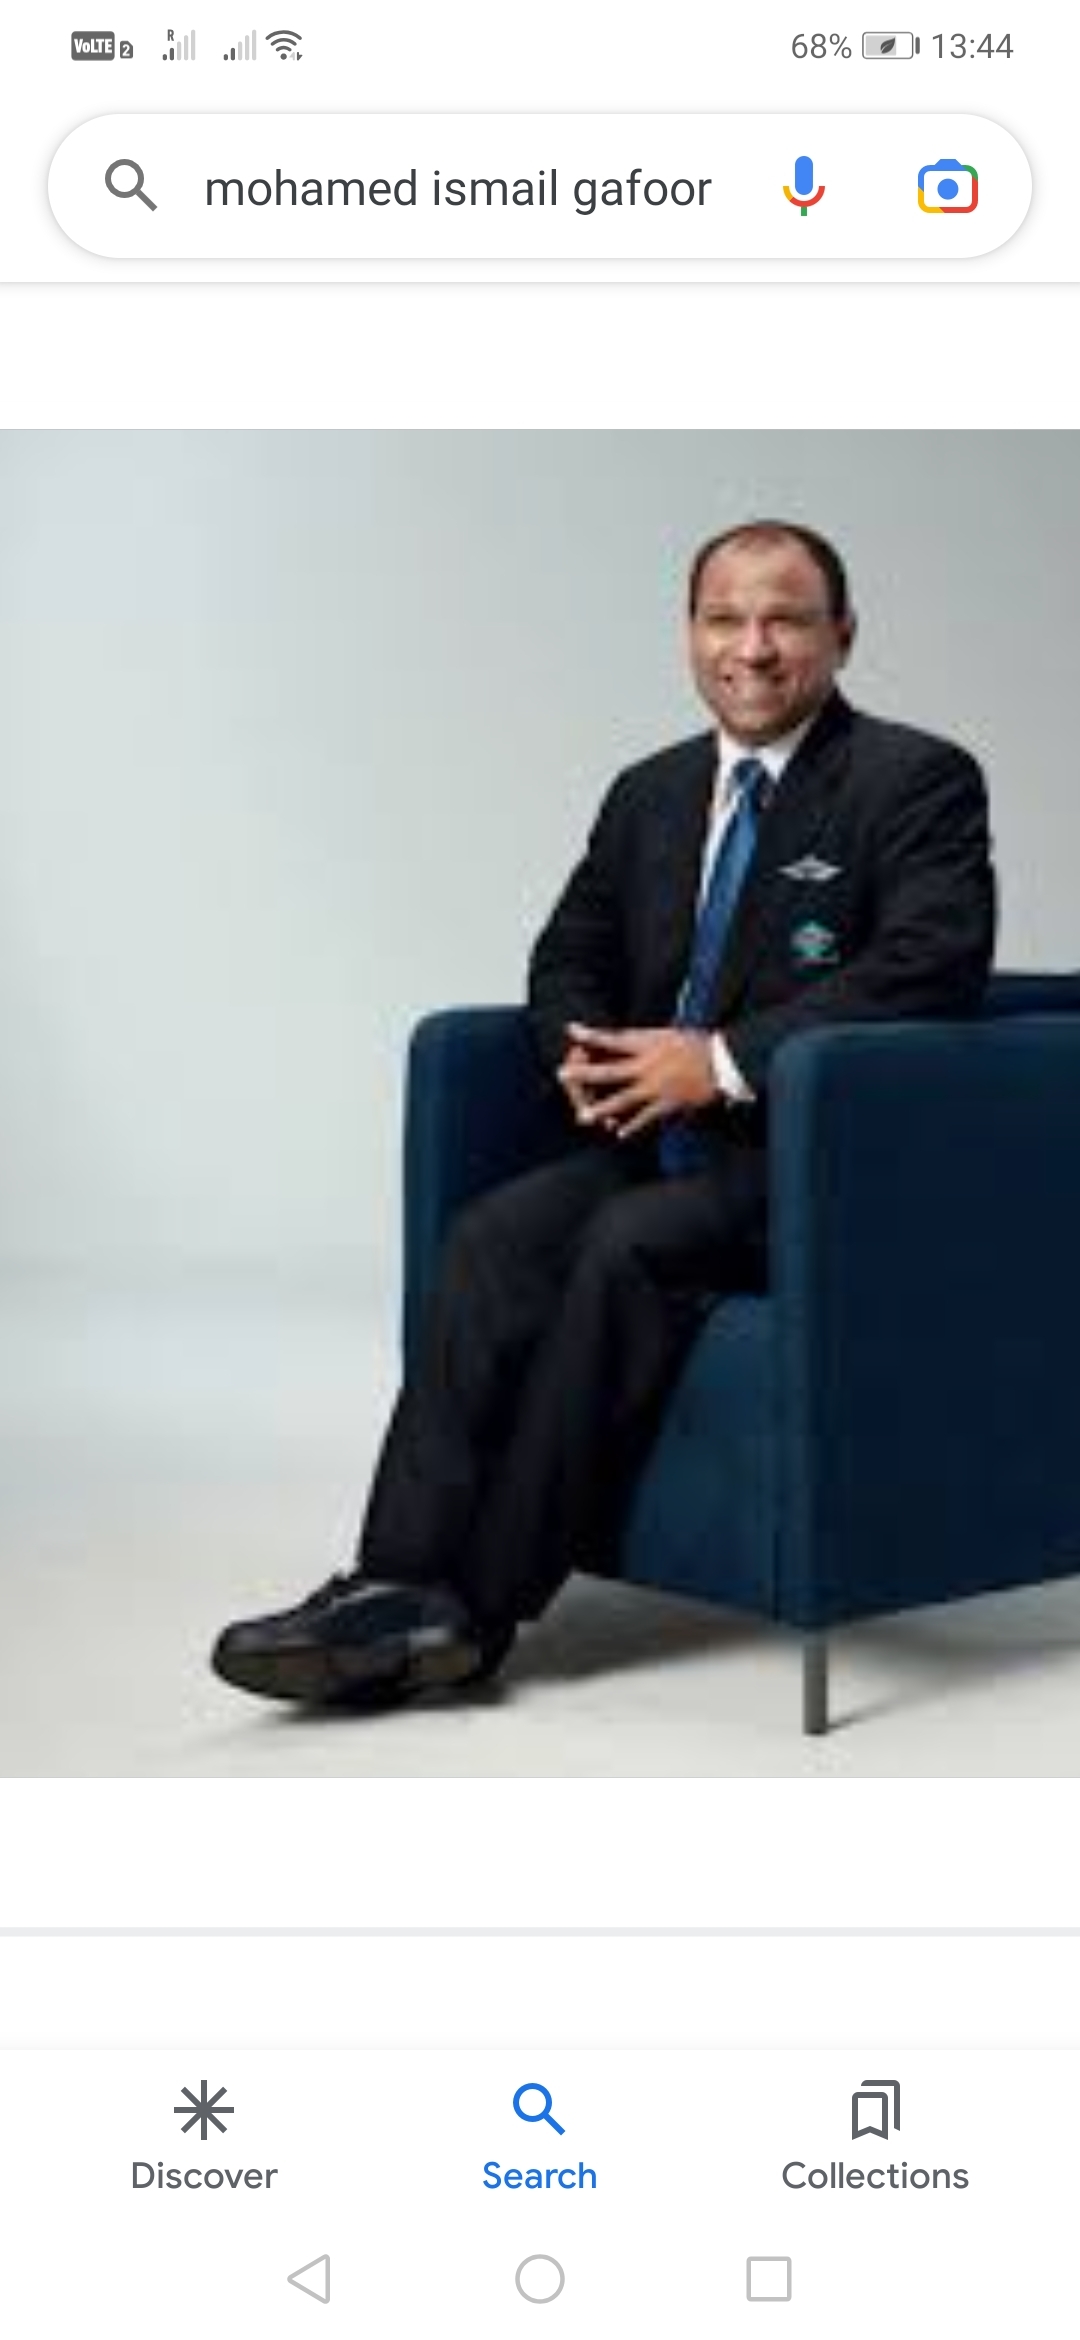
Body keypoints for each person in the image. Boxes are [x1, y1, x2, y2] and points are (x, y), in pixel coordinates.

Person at [212, 519, 996, 1708]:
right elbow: (567, 951)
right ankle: (392, 1580)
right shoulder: (651, 792)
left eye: (785, 619)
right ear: (690, 634)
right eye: (724, 619)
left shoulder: (915, 779)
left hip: (807, 1165)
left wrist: (718, 1063)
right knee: (493, 1238)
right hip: (649, 1139)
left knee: (630, 1246)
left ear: (842, 635)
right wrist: (583, 1054)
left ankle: (471, 1614)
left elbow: (931, 965)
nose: (752, 648)